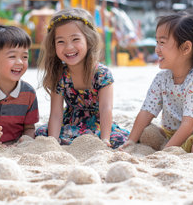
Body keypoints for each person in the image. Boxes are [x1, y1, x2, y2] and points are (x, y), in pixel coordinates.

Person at [121, 10, 193, 158]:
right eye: (156, 42)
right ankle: (171, 145)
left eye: (162, 43)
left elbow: (188, 126)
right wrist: (130, 141)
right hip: (172, 133)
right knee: (147, 132)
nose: (157, 49)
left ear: (185, 48)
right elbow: (146, 112)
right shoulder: (161, 78)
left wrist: (165, 153)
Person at [35, 8, 129, 149]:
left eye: (75, 39)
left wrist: (104, 139)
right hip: (71, 123)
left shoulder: (101, 74)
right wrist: (52, 142)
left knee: (119, 138)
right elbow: (55, 114)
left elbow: (105, 109)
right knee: (42, 132)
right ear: (53, 45)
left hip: (98, 123)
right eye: (61, 41)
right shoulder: (60, 75)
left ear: (89, 40)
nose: (69, 47)